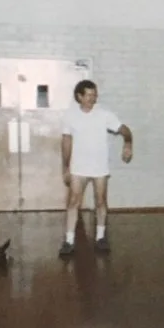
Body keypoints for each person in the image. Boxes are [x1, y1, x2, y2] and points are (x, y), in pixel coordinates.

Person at [60, 80, 133, 257]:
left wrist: (128, 143)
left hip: (99, 167)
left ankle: (101, 237)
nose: (93, 98)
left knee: (100, 201)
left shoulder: (104, 115)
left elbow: (124, 129)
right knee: (73, 202)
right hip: (78, 167)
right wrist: (65, 166)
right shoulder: (70, 116)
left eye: (95, 94)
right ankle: (69, 241)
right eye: (89, 95)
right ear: (80, 97)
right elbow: (66, 141)